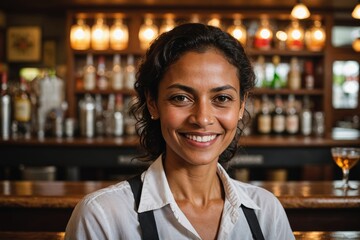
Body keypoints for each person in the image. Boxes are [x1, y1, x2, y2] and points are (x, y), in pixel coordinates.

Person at [65, 23, 295, 240]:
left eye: (222, 98)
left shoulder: (266, 211)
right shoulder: (103, 215)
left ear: (241, 106)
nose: (202, 118)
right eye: (181, 98)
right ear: (153, 103)